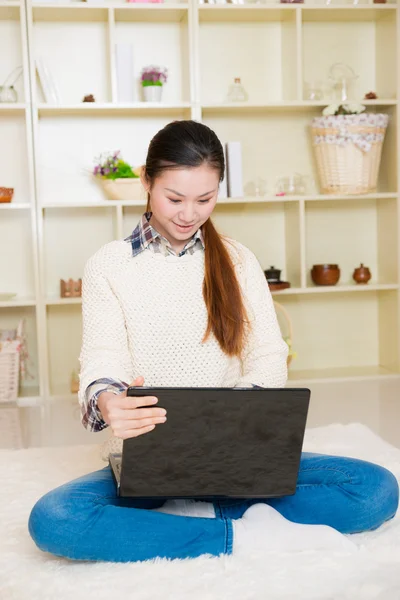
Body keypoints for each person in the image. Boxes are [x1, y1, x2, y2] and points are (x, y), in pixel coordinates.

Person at [28, 120, 399, 563]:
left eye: (205, 199)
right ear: (146, 182)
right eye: (174, 198)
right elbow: (102, 355)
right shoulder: (108, 264)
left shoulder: (238, 260)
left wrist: (233, 425)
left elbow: (267, 354)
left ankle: (190, 514)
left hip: (239, 453)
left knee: (376, 490)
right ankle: (238, 535)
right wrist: (107, 399)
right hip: (145, 461)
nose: (189, 214)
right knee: (56, 518)